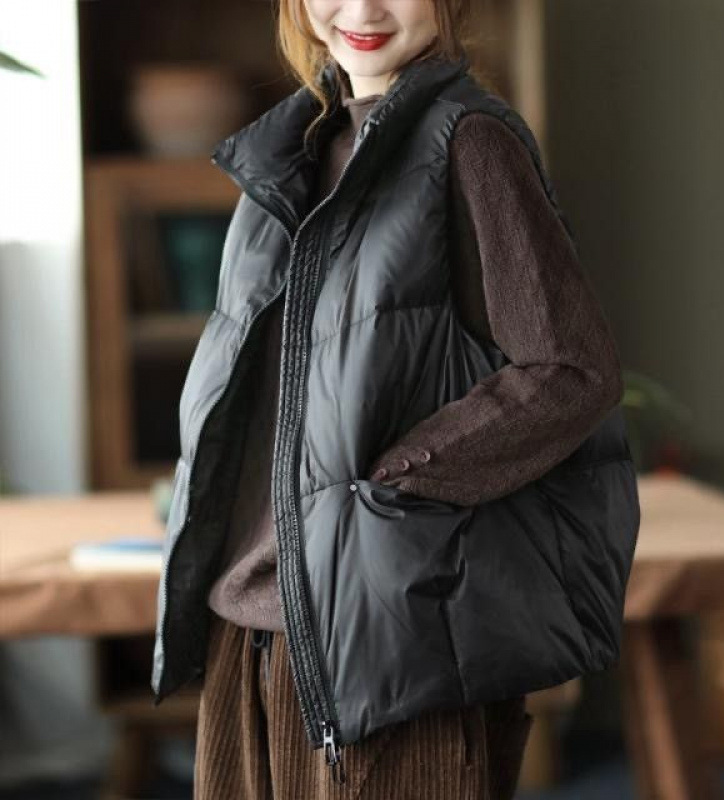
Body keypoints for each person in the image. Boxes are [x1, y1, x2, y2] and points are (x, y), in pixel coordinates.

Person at [158, 1, 638, 798]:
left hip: (390, 635)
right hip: (248, 627)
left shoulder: (470, 143)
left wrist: (390, 489)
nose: (363, 9)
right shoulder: (290, 148)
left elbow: (569, 369)